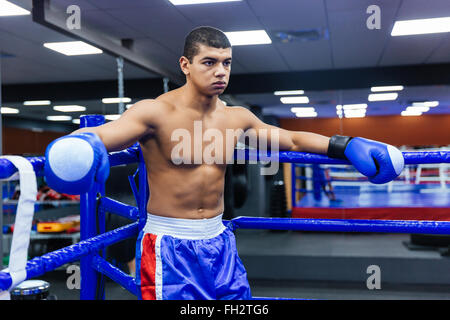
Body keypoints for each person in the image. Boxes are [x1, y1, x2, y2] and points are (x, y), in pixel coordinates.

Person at [43, 26, 404, 300]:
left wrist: (347, 144)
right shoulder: (154, 112)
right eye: (210, 62)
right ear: (186, 65)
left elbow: (291, 139)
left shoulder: (236, 117)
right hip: (170, 243)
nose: (220, 71)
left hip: (219, 240)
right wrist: (79, 148)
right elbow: (104, 137)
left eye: (226, 63)